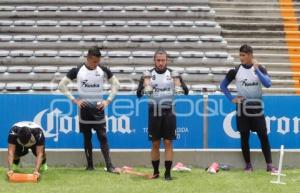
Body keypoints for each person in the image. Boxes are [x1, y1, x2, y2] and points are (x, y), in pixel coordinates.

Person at [58, 46, 120, 173]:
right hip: (84, 108)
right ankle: (90, 165)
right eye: (94, 62)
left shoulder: (102, 69)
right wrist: (74, 100)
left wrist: (108, 100)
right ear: (88, 58)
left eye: (98, 61)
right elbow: (61, 85)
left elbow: (116, 84)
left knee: (102, 136)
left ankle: (109, 166)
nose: (96, 64)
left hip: (98, 107)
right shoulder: (77, 69)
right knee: (87, 137)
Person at [220, 44, 277, 172]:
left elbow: (268, 84)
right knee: (244, 137)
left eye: (243, 55)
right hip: (242, 108)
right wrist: (231, 99)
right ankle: (248, 165)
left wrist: (257, 70)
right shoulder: (235, 70)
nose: (241, 58)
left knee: (263, 135)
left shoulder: (260, 68)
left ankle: (269, 165)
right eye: (240, 55)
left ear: (250, 55)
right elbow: (223, 86)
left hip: (257, 108)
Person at [136, 49, 189, 180]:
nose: (160, 63)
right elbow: (138, 94)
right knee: (155, 143)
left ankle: (167, 173)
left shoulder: (173, 74)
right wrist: (145, 87)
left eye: (163, 60)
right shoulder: (148, 75)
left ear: (166, 60)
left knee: (168, 142)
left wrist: (179, 83)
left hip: (169, 111)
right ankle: (155, 172)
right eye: (158, 60)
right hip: (153, 110)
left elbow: (186, 91)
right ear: (154, 61)